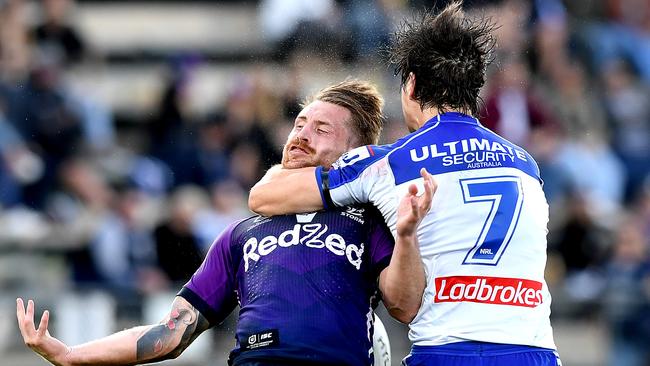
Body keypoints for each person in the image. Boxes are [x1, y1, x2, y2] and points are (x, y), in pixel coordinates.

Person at [17, 80, 434, 366]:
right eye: (299, 124)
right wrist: (72, 355)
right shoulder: (241, 234)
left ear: (357, 151)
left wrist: (406, 236)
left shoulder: (367, 221)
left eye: (322, 129)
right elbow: (171, 333)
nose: (301, 135)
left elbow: (405, 304)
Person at [249, 2, 562, 365]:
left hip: (447, 352)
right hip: (535, 353)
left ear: (411, 85)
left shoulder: (389, 163)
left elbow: (264, 197)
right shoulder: (525, 164)